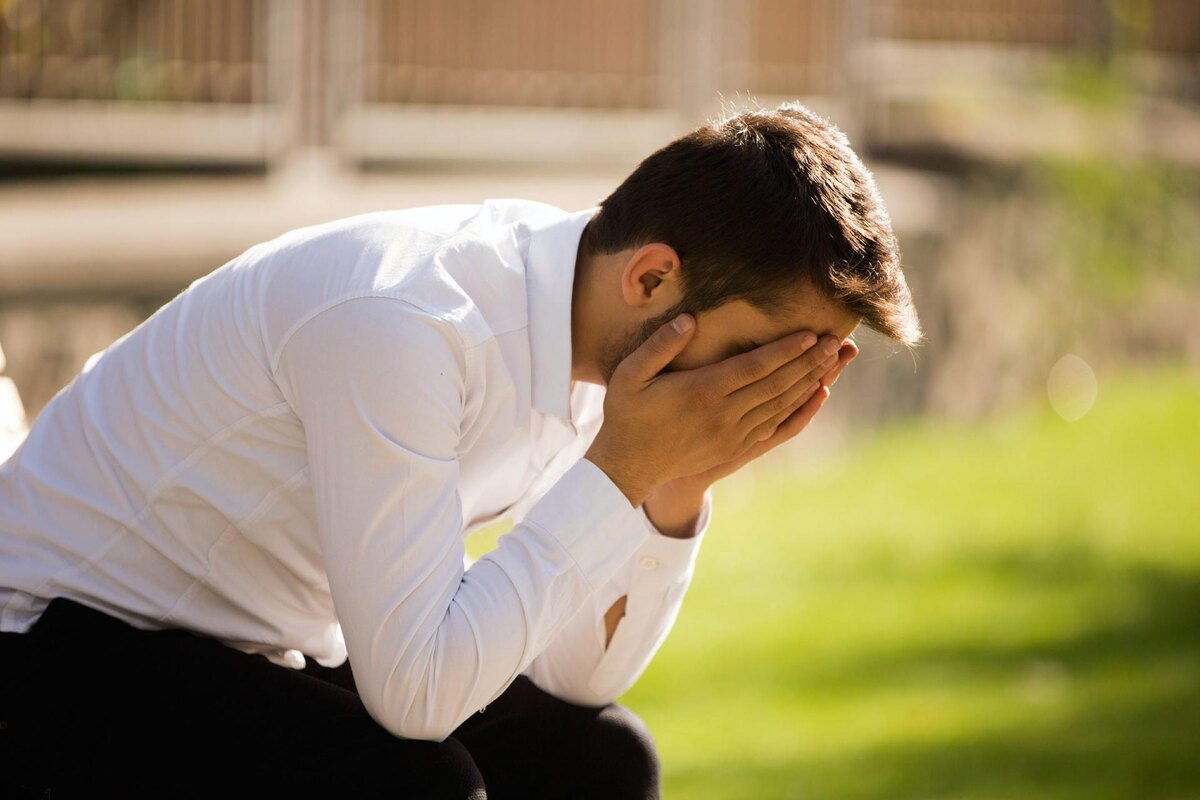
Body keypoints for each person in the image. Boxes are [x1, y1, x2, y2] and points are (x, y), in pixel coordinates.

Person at [0, 101, 921, 798]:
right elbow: (415, 697)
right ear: (652, 279)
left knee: (601, 760)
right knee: (417, 785)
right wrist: (624, 469)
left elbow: (575, 676)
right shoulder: (409, 322)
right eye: (760, 353)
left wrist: (674, 483)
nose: (767, 386)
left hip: (253, 637)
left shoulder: (588, 334)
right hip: (57, 638)